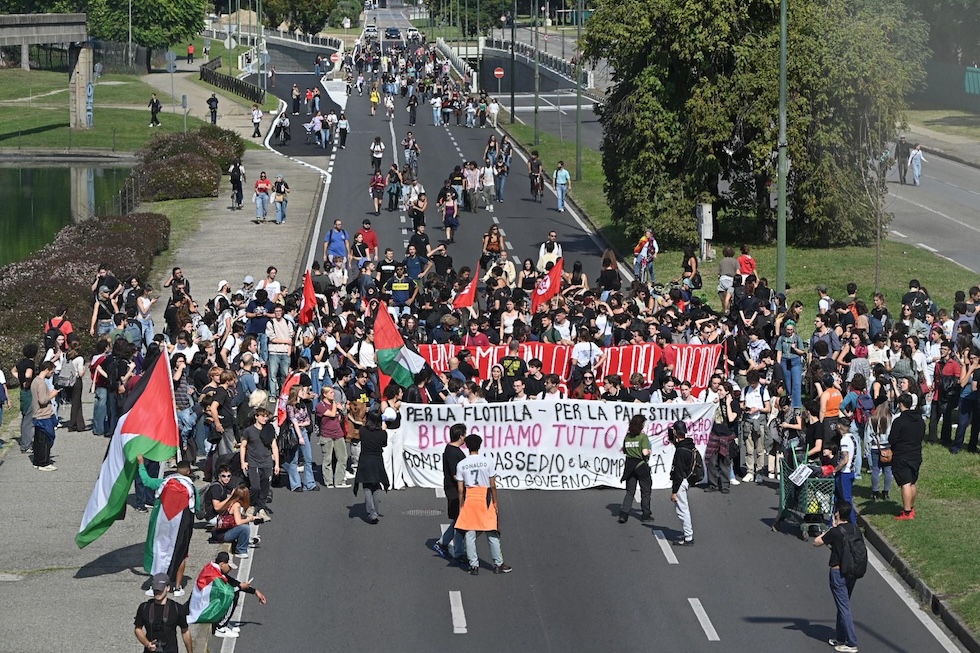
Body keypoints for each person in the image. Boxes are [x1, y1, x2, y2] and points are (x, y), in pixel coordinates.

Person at [139, 456, 199, 597]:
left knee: (159, 551)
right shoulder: (192, 488)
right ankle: (177, 587)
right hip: (181, 527)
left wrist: (141, 464)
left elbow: (146, 480)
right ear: (189, 472)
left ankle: (156, 586)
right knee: (181, 555)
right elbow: (197, 508)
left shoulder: (164, 483)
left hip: (162, 525)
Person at [455, 434, 512, 575]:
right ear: (479, 446)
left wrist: (461, 505)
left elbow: (460, 489)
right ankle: (498, 563)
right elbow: (493, 485)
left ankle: (473, 565)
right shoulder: (487, 462)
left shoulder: (462, 464)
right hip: (484, 497)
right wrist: (495, 502)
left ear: (466, 446)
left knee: (470, 533)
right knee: (491, 531)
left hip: (470, 497)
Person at [813, 502, 862, 653]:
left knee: (844, 607)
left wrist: (832, 527)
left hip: (838, 573)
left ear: (837, 514)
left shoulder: (835, 531)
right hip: (852, 572)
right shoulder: (855, 529)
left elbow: (817, 542)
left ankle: (852, 643)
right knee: (843, 605)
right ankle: (840, 637)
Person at [188, 552, 268, 638]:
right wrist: (240, 586)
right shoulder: (215, 576)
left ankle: (223, 622)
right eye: (229, 567)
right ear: (222, 564)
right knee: (232, 595)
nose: (230, 569)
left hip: (202, 600)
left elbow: (232, 582)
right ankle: (220, 627)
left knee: (234, 590)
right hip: (202, 607)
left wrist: (255, 591)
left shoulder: (214, 568)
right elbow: (228, 592)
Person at [433, 423, 468, 562]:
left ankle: (444, 543)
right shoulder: (453, 452)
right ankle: (457, 551)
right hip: (454, 488)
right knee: (460, 520)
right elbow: (456, 474)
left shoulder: (451, 449)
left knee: (459, 519)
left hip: (454, 487)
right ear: (460, 436)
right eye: (464, 434)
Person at [134, 573, 194, 653]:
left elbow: (185, 631)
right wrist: (147, 644)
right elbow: (138, 629)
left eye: (160, 589)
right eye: (155, 590)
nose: (158, 592)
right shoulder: (144, 607)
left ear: (168, 588)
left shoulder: (176, 608)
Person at [239, 407, 278, 519]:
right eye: (262, 416)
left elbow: (274, 447)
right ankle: (251, 506)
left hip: (267, 463)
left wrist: (277, 464)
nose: (264, 418)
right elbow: (243, 446)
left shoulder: (270, 430)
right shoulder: (249, 431)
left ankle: (261, 508)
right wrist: (243, 462)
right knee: (255, 486)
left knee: (265, 487)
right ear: (256, 416)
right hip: (253, 462)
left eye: (266, 416)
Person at [890, 393, 924, 520]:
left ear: (900, 404)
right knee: (912, 483)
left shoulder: (899, 421)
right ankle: (911, 507)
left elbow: (892, 438)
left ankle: (907, 511)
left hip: (902, 455)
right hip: (916, 454)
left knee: (905, 483)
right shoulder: (920, 420)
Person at [353, 409, 389, 524]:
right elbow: (384, 444)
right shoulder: (382, 433)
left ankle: (371, 512)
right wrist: (383, 430)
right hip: (377, 461)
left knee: (366, 487)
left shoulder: (363, 430)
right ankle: (376, 511)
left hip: (365, 461)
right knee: (376, 485)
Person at [618, 414, 652, 523]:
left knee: (630, 491)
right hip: (641, 466)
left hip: (630, 466)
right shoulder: (643, 437)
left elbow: (624, 451)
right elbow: (645, 452)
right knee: (645, 490)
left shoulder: (627, 437)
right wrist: (649, 451)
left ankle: (624, 514)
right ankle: (646, 514)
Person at [669, 420, 696, 546]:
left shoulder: (681, 451)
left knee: (682, 510)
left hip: (681, 482)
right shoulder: (689, 445)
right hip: (687, 479)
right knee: (683, 509)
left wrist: (674, 492)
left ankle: (688, 537)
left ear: (675, 432)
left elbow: (678, 473)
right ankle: (688, 535)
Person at [30, 362, 58, 471]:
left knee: (38, 440)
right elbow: (42, 400)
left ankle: (38, 460)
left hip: (38, 415)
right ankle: (44, 462)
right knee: (45, 440)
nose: (52, 374)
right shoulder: (41, 383)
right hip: (43, 415)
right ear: (47, 369)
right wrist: (52, 395)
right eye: (51, 371)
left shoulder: (35, 381)